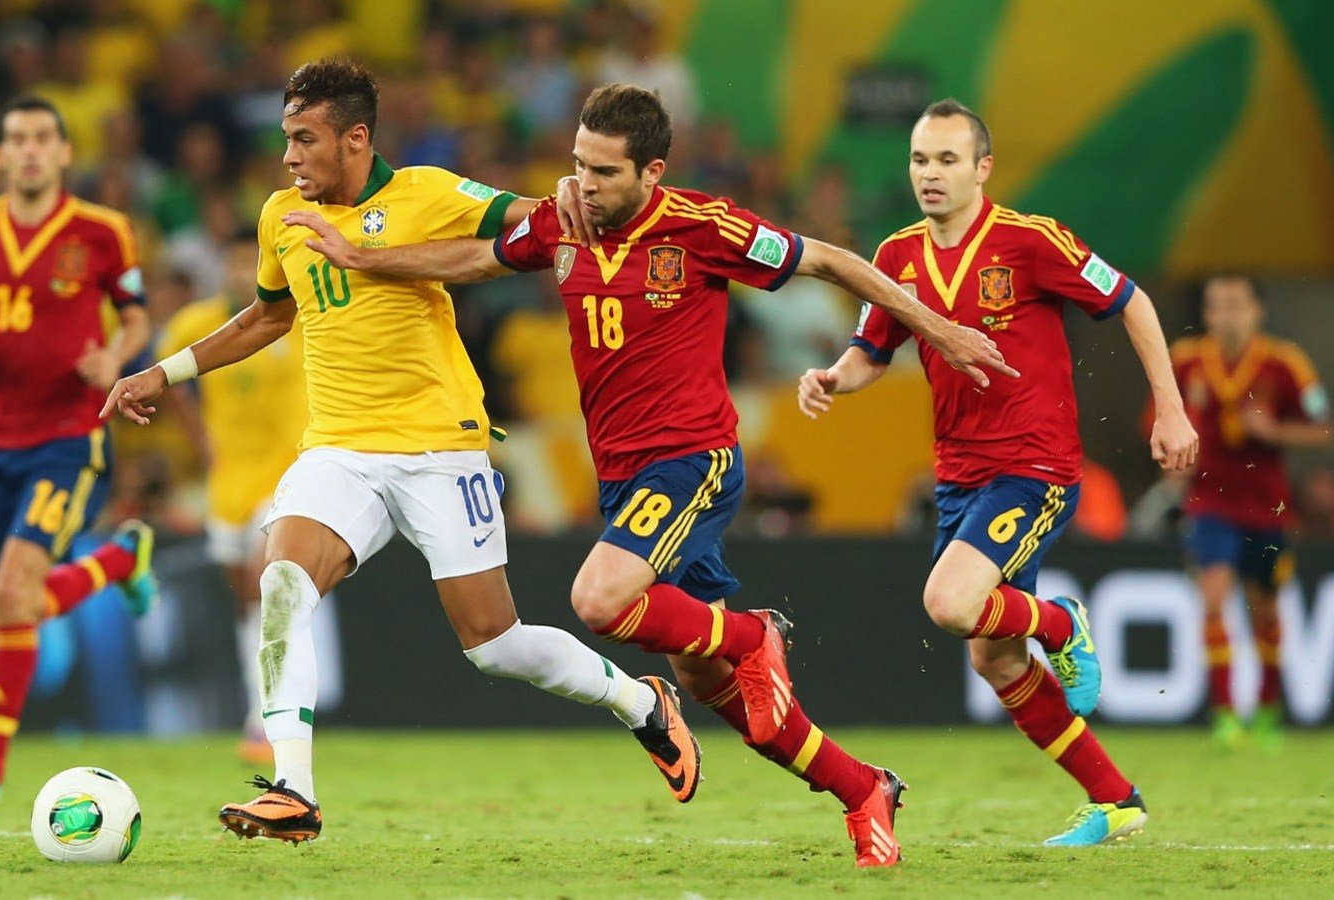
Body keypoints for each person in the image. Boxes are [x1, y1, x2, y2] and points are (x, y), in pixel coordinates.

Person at [283, 83, 1012, 868]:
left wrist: (937, 327)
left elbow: (830, 261)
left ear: (651, 172)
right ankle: (863, 787)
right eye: (577, 166)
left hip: (694, 459)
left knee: (598, 598)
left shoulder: (702, 227)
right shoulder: (560, 223)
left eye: (602, 172)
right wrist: (366, 259)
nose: (584, 186)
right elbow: (474, 257)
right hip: (624, 478)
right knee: (717, 689)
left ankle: (756, 631)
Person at [102, 60, 700, 845]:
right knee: (280, 584)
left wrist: (559, 196)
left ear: (355, 138)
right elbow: (266, 316)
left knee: (496, 646)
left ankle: (642, 704)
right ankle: (293, 790)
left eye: (303, 139)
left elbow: (530, 218)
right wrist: (165, 370)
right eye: (286, 138)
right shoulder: (282, 216)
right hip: (340, 450)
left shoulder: (426, 194)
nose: (289, 157)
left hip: (440, 451)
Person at [797, 99, 1199, 847]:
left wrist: (1171, 411)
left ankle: (1061, 624)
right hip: (959, 476)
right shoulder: (895, 258)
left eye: (948, 160)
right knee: (993, 654)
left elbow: (1132, 301)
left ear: (983, 168)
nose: (931, 175)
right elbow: (872, 354)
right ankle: (1115, 801)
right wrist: (832, 377)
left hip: (1035, 468)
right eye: (920, 160)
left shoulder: (1030, 241)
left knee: (950, 603)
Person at [0, 95, 160, 808]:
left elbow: (137, 319)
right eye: (16, 138)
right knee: (10, 607)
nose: (29, 150)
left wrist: (113, 354)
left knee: (16, 593)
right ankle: (121, 559)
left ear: (64, 152)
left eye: (42, 138)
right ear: (0, 154)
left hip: (68, 437)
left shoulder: (103, 231)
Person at [159, 226, 309, 764]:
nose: (243, 270)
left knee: (260, 581)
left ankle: (262, 717)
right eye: (236, 260)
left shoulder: (298, 318)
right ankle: (266, 702)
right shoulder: (198, 324)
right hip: (229, 481)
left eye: (254, 260)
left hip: (286, 473)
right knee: (247, 600)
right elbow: (169, 374)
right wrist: (201, 441)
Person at [1171, 275, 1330, 748]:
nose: (1227, 315)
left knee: (1264, 610)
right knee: (1215, 597)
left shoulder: (1286, 364)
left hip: (1268, 505)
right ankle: (1224, 713)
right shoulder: (1186, 361)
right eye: (1217, 305)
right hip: (1210, 499)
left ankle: (1266, 706)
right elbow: (1156, 418)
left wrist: (1274, 432)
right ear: (1206, 313)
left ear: (1258, 311)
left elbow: (1323, 430)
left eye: (1237, 305)